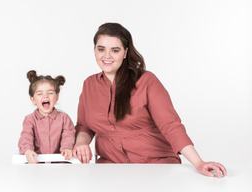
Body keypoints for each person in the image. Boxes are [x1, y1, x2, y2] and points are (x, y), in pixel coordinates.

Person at [72, 22, 227, 178]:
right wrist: (81, 143)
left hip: (156, 165)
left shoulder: (146, 81)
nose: (106, 56)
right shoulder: (89, 85)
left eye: (115, 50)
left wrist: (199, 163)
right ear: (94, 51)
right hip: (111, 169)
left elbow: (170, 125)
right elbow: (85, 126)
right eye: (101, 49)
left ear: (125, 53)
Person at [18, 70, 75, 163]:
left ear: (57, 97)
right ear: (33, 99)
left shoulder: (64, 118)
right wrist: (27, 150)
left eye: (50, 93)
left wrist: (67, 148)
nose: (45, 96)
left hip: (60, 165)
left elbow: (68, 135)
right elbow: (26, 136)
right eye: (40, 94)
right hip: (36, 164)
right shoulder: (29, 120)